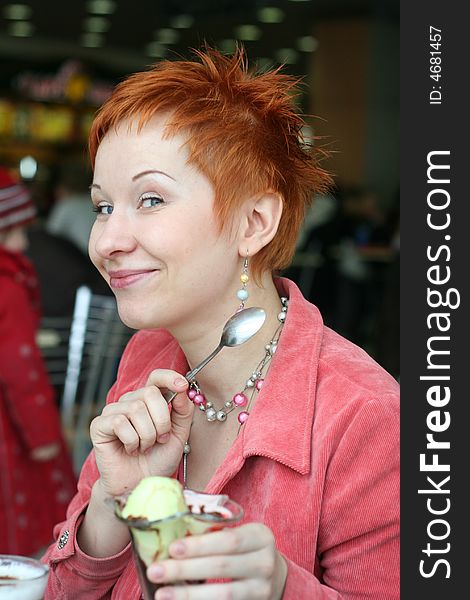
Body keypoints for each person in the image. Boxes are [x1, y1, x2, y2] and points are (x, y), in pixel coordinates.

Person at [42, 48, 399, 599]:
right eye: (103, 207)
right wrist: (115, 503)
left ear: (254, 222)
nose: (108, 241)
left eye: (151, 198)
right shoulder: (149, 357)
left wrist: (282, 588)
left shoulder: (364, 416)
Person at [0, 168, 77, 556]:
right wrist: (44, 437)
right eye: (9, 233)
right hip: (9, 429)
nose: (19, 243)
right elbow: (21, 371)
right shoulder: (8, 285)